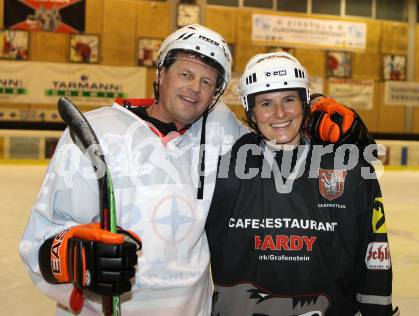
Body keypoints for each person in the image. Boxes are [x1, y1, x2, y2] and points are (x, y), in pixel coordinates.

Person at [19, 24, 374, 316]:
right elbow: (43, 237)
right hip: (106, 309)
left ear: (217, 93)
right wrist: (72, 254)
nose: (194, 89)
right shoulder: (94, 132)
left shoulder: (220, 129)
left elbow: (277, 127)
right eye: (185, 74)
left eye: (207, 82)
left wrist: (323, 115)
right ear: (160, 74)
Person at [205, 52, 399, 316]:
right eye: (266, 103)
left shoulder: (348, 165)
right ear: (250, 110)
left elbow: (374, 253)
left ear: (305, 102)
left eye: (289, 99)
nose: (280, 113)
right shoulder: (223, 166)